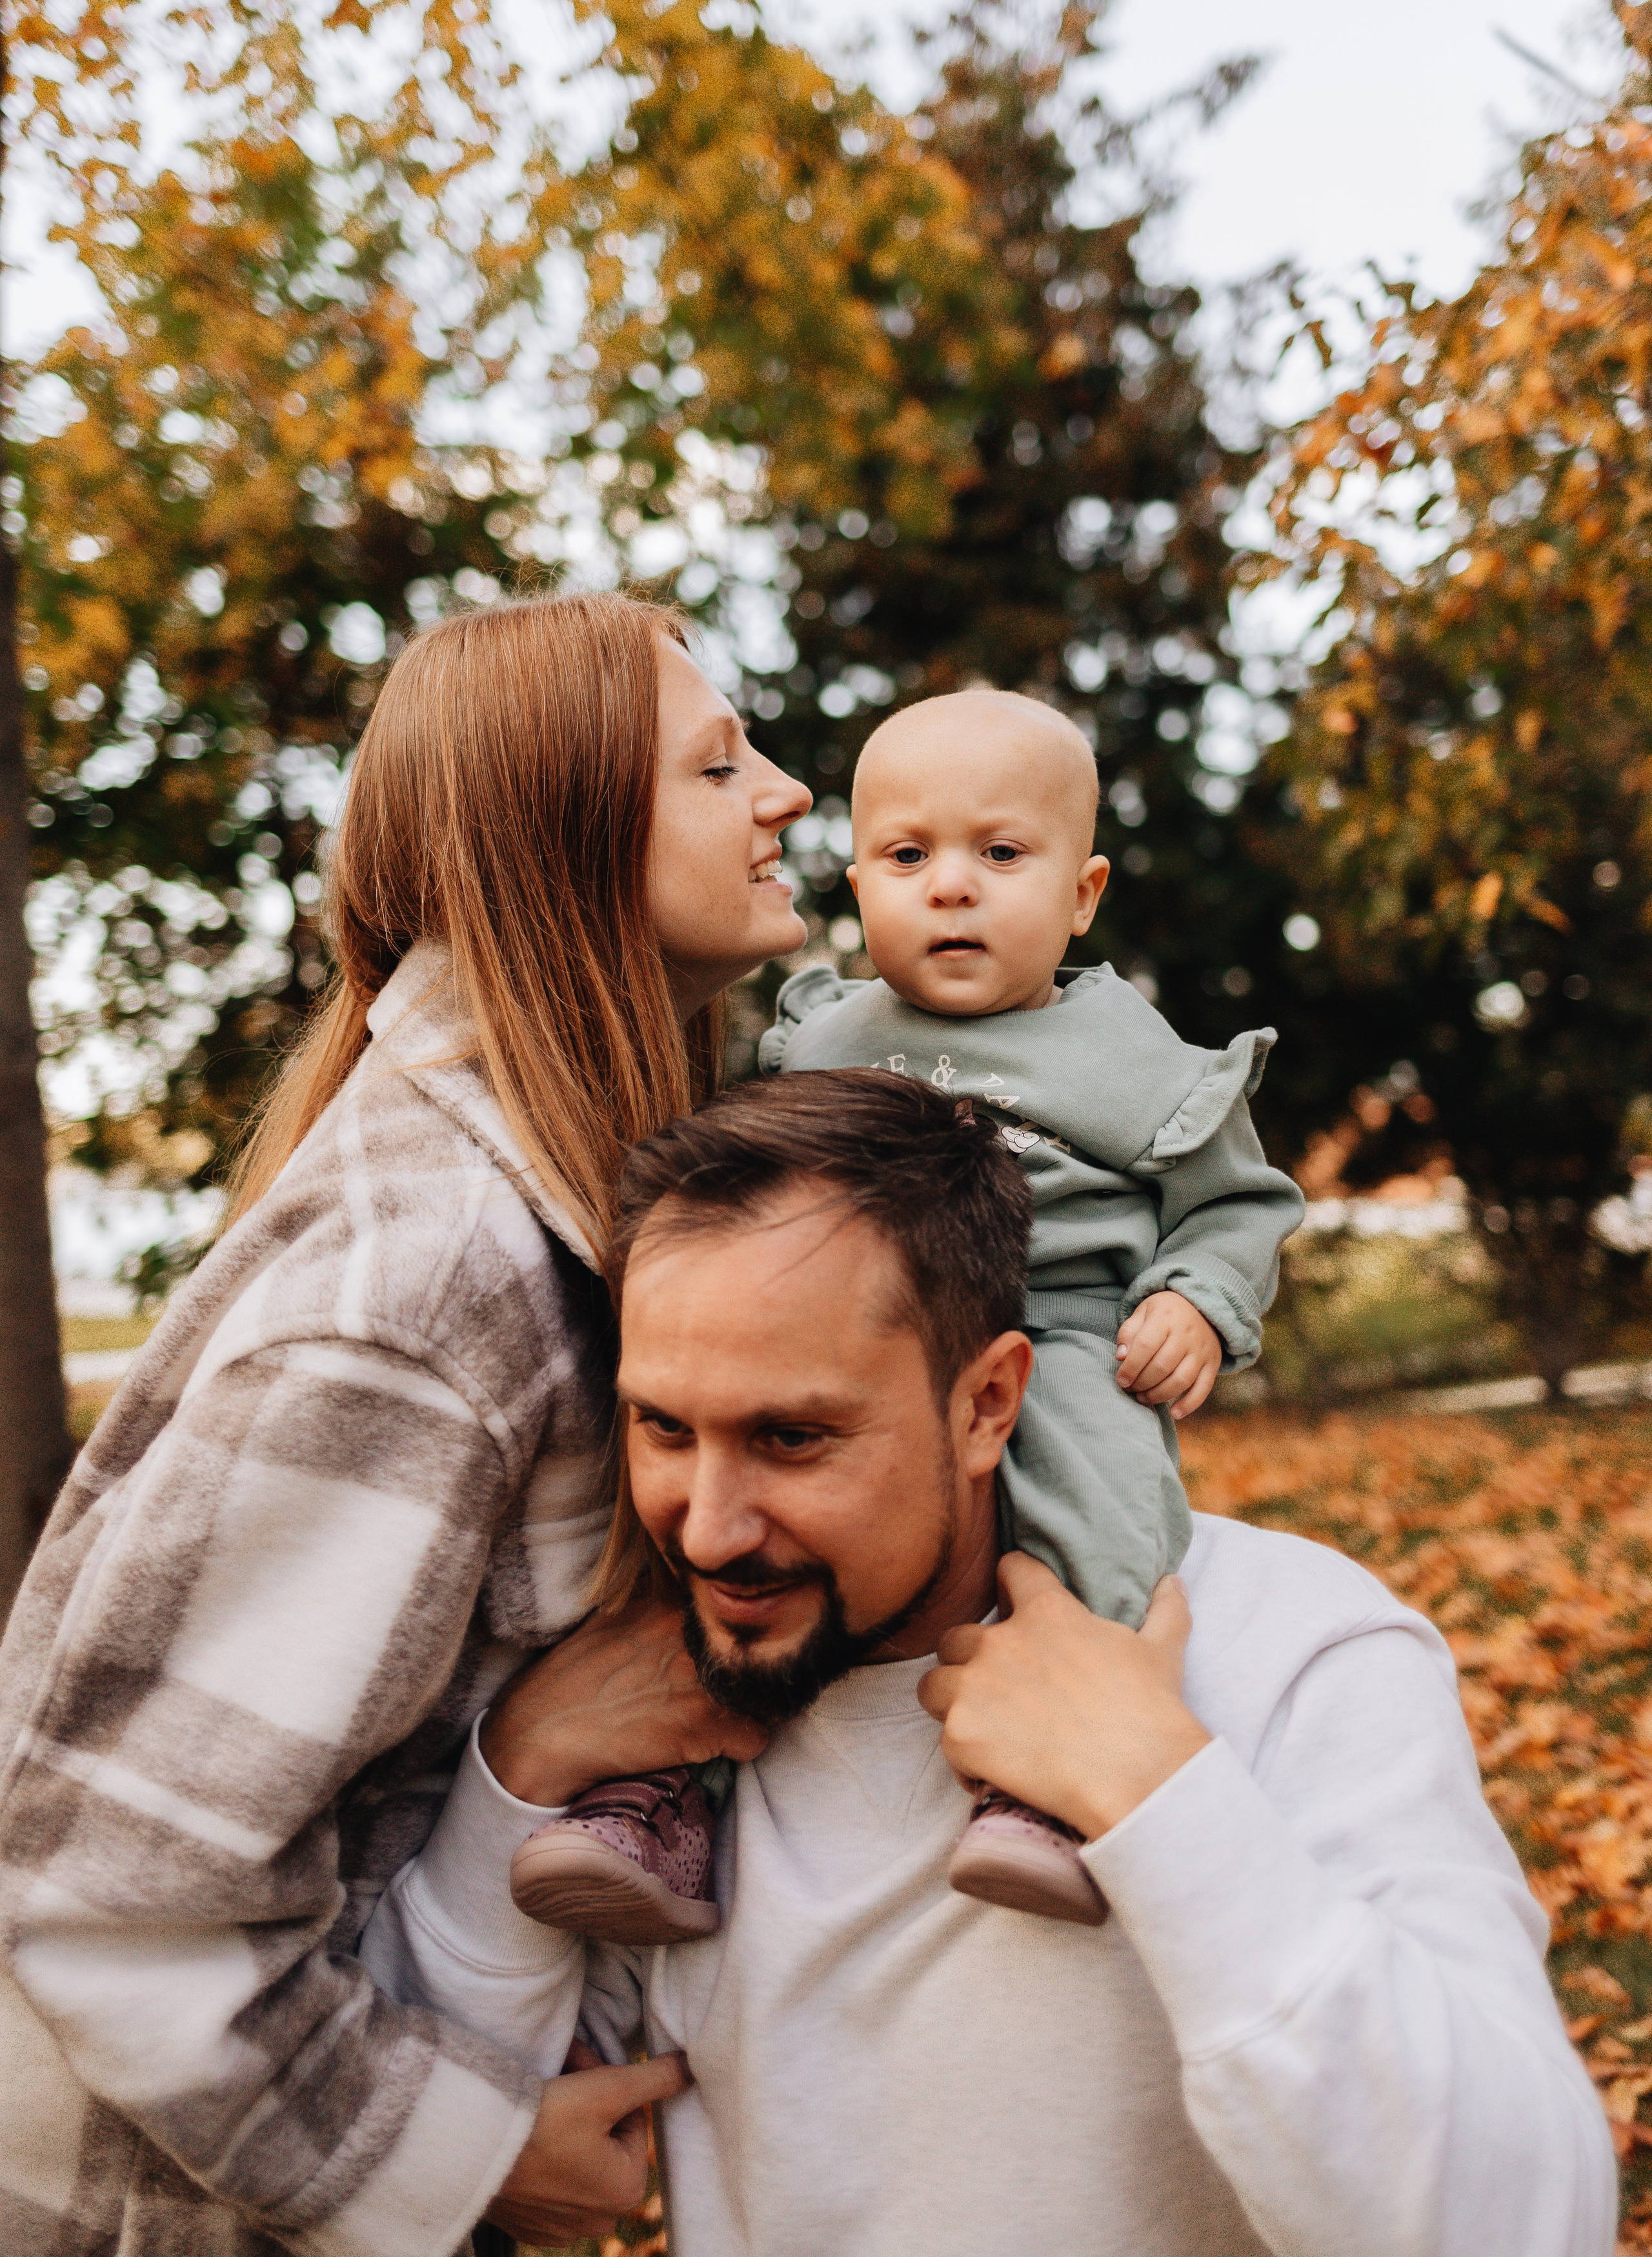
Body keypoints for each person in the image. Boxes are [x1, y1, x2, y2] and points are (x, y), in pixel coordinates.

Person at [363, 1067, 1617, 2257]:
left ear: (987, 1403)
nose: (706, 1525)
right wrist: (516, 1773)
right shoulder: (659, 1751)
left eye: (791, 1438)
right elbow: (422, 2155)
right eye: (664, 1428)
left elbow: (1519, 2221)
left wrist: (1159, 1795)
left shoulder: (1290, 1649)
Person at [0, 592, 809, 2256]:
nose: (789, 792)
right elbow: (106, 1899)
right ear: (565, 840)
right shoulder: (431, 1282)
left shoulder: (531, 1204)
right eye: (720, 765)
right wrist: (463, 2155)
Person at [505, 687, 1303, 1936]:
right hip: (834, 1349)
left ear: (1081, 894)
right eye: (906, 856)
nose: (948, 889)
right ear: (860, 878)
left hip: (1065, 1322)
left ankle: (1049, 1775)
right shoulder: (822, 1035)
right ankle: (655, 1794)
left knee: (1101, 1498)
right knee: (722, 1523)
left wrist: (1194, 1302)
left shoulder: (1136, 1061)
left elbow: (1240, 1206)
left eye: (998, 855)